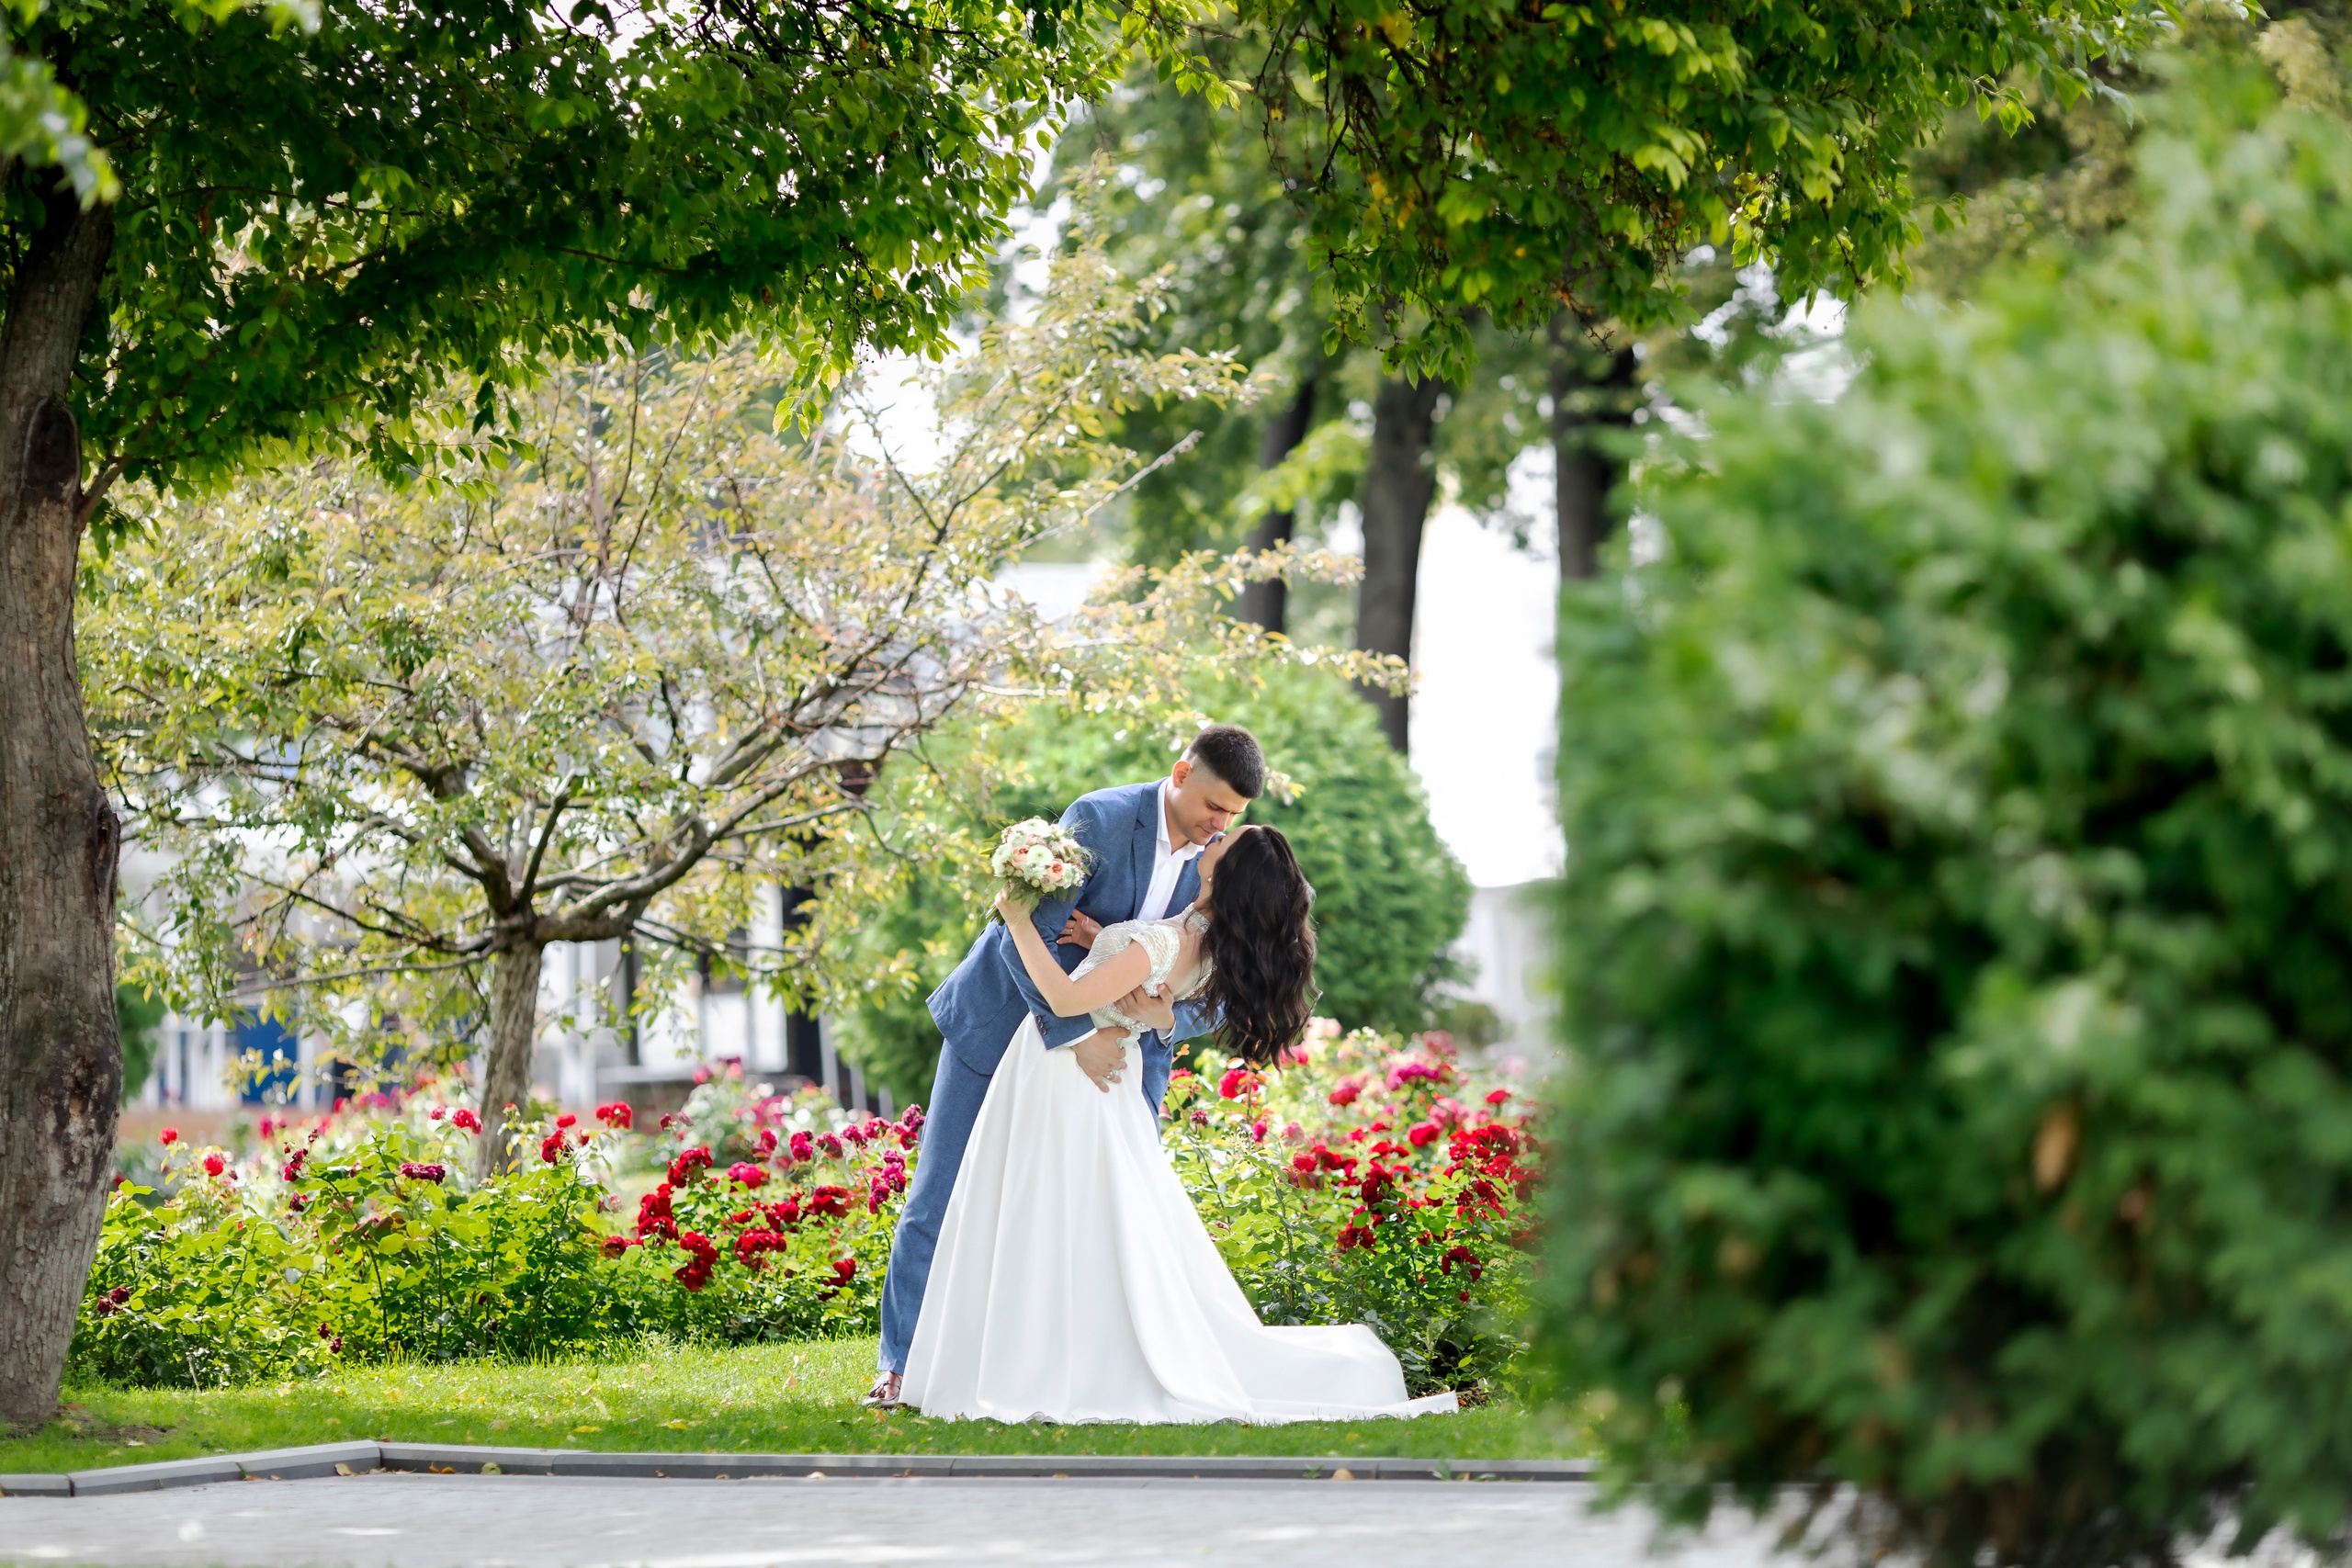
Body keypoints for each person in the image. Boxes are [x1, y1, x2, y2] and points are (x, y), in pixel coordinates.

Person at [899, 822, 1456, 1424]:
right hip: (1089, 1074)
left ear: (1225, 873)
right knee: (1067, 1224)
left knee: (1038, 1213)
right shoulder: (1199, 944)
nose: (1209, 840)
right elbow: (1129, 983)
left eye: (1221, 843)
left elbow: (1062, 1000)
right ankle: (1043, 1355)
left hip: (1063, 1071)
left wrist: (1014, 918)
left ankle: (1031, 1364)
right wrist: (1098, 940)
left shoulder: (1162, 944)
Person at [865, 726, 1267, 1408]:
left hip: (1123, 1067)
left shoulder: (1220, 865)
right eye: (1214, 805)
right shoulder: (1101, 820)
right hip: (1003, 1029)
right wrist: (1076, 1033)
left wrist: (1167, 1019)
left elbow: (1221, 976)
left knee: (1106, 1216)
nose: (1220, 823)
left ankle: (1088, 1366)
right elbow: (1021, 934)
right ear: (1180, 772)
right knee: (940, 1194)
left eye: (1234, 813)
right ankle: (900, 1363)